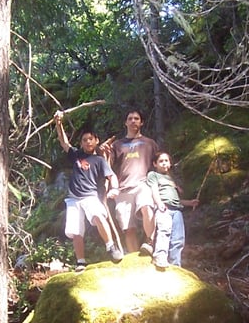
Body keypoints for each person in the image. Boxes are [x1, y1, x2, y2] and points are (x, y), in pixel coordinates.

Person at [54, 111, 125, 271]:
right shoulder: (76, 156)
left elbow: (111, 176)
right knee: (75, 230)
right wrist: (59, 124)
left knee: (99, 216)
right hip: (73, 198)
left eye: (90, 139)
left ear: (96, 141)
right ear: (81, 143)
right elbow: (64, 143)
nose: (87, 142)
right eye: (84, 140)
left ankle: (111, 247)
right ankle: (80, 261)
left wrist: (115, 189)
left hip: (90, 196)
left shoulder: (99, 160)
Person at [101, 109, 158, 254]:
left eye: (137, 118)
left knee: (147, 207)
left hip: (143, 184)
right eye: (130, 118)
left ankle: (150, 242)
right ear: (125, 122)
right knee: (128, 227)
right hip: (123, 189)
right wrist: (104, 152)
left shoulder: (149, 143)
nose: (133, 121)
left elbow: (159, 164)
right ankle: (133, 258)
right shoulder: (117, 145)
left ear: (142, 122)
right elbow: (107, 166)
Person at [146, 151, 199, 269]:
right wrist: (159, 203)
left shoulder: (171, 179)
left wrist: (190, 203)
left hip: (177, 211)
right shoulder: (153, 175)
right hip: (164, 207)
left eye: (166, 161)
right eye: (161, 161)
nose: (164, 163)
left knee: (178, 238)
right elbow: (154, 190)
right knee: (164, 232)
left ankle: (176, 263)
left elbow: (177, 200)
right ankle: (160, 257)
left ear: (170, 164)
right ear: (155, 164)